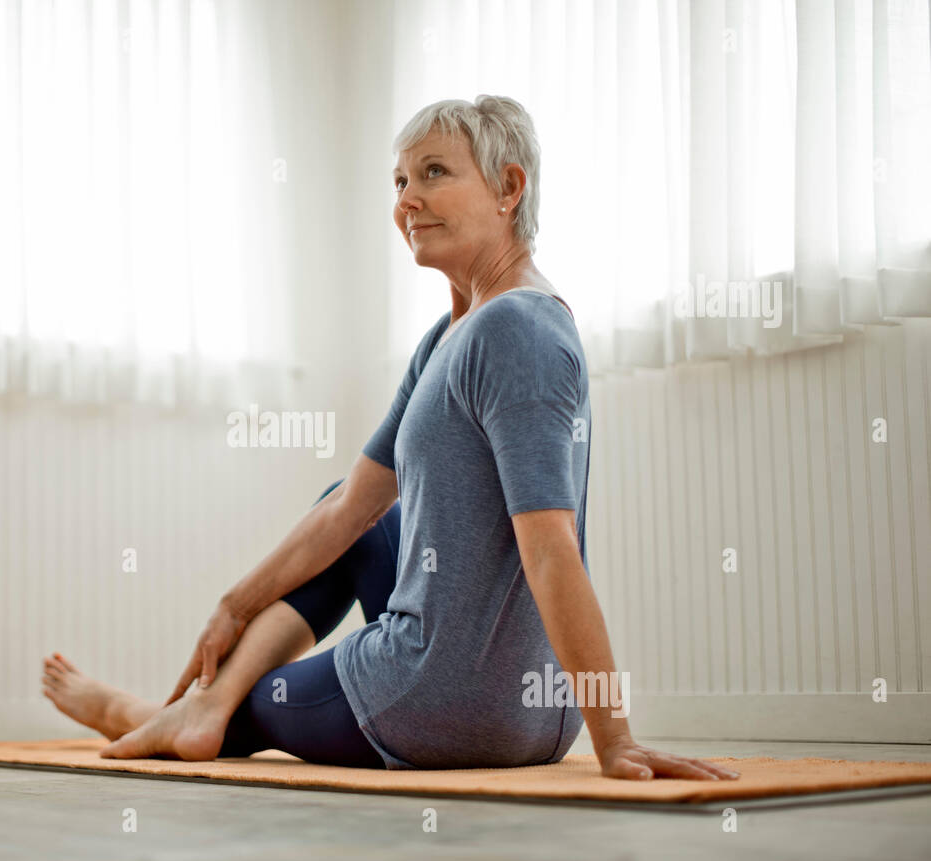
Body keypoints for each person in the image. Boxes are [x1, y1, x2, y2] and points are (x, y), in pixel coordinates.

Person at [42, 94, 738, 781]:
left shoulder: (516, 330)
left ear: (508, 188)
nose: (409, 198)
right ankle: (207, 705)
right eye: (400, 180)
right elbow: (352, 507)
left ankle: (165, 713)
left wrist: (615, 738)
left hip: (449, 704)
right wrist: (235, 604)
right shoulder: (451, 334)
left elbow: (552, 550)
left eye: (435, 172)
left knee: (256, 706)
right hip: (510, 709)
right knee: (355, 515)